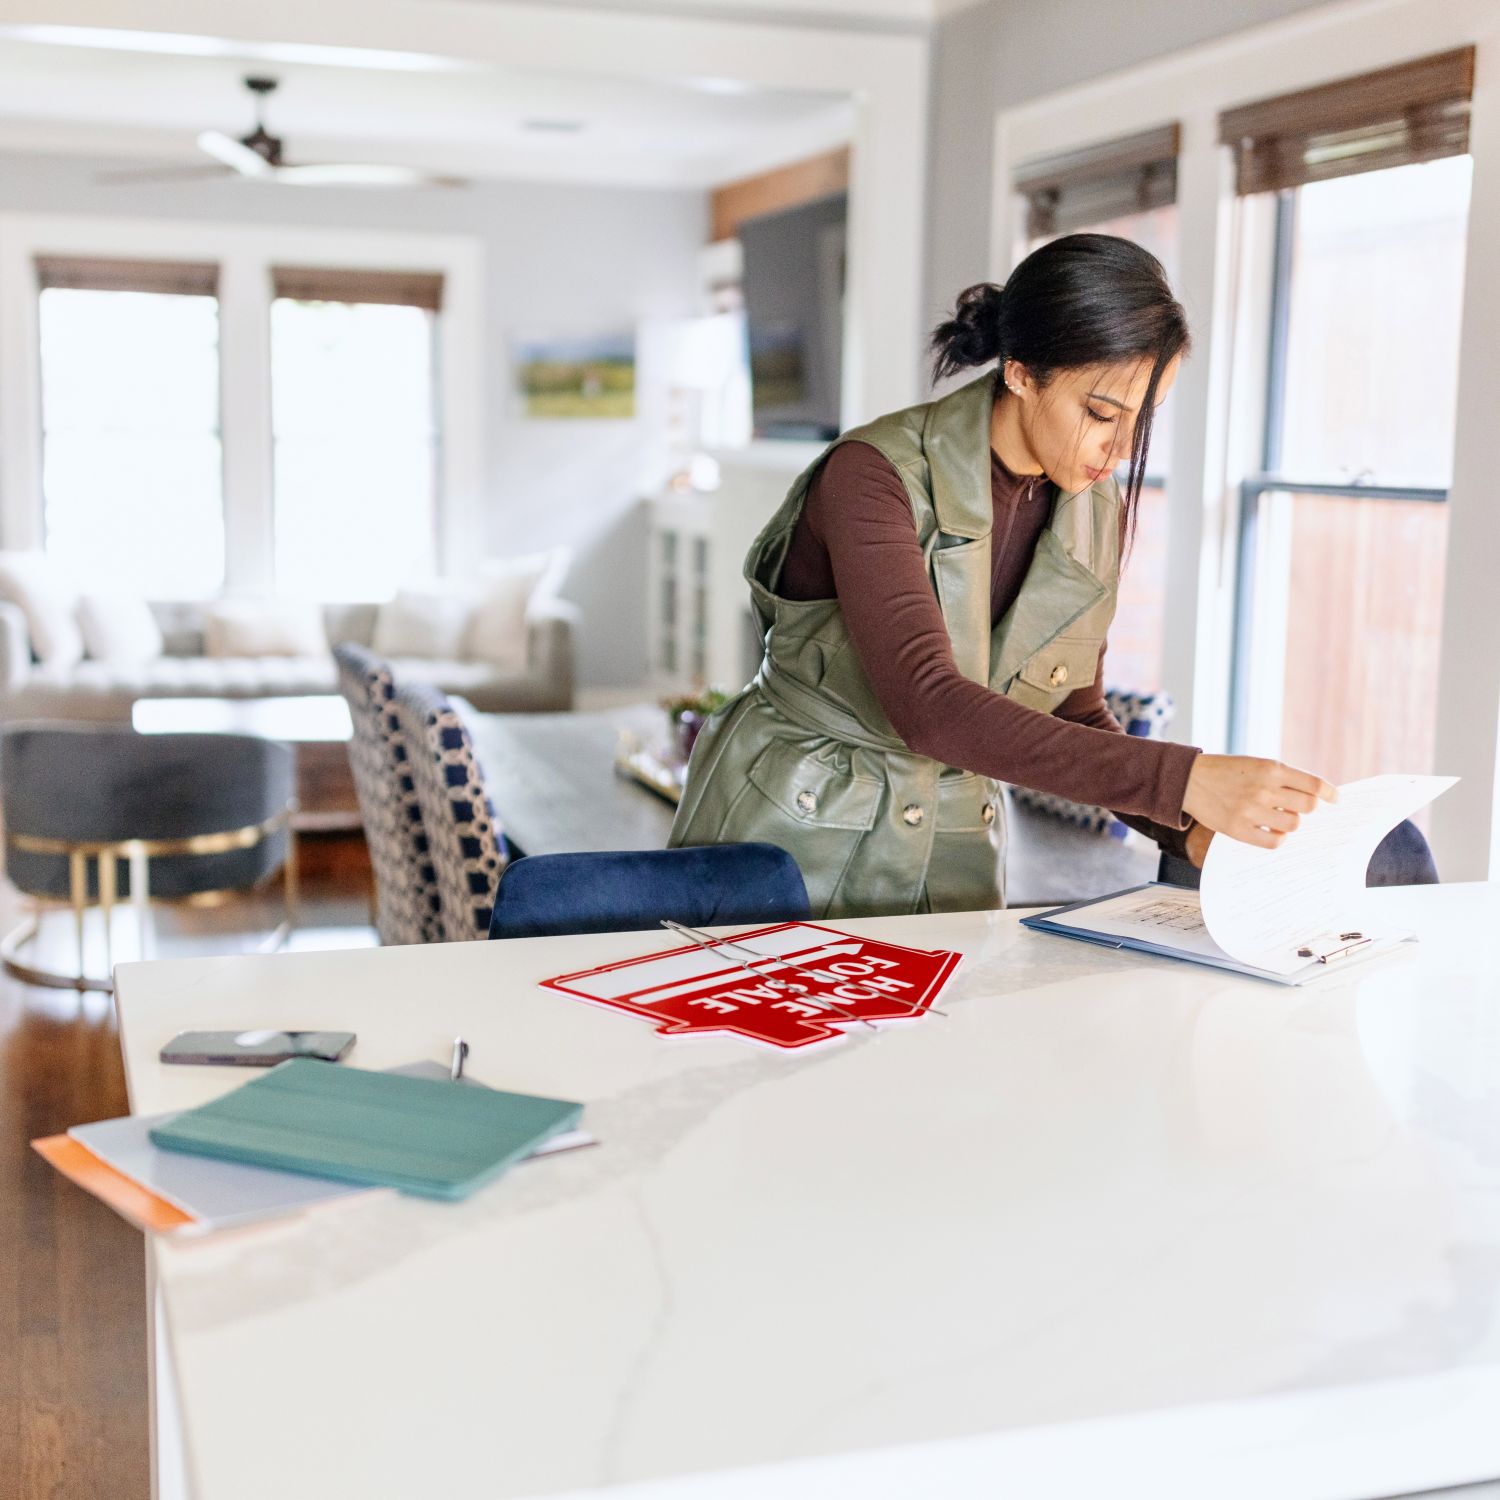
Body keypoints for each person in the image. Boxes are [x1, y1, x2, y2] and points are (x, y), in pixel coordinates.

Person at [669, 233, 1335, 918]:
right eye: (1102, 414)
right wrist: (1187, 777)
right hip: (790, 836)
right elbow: (929, 707)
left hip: (951, 860)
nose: (1120, 449)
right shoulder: (871, 475)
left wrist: (1191, 830)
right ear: (1020, 372)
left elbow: (1076, 714)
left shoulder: (1090, 508)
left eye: (1141, 422)